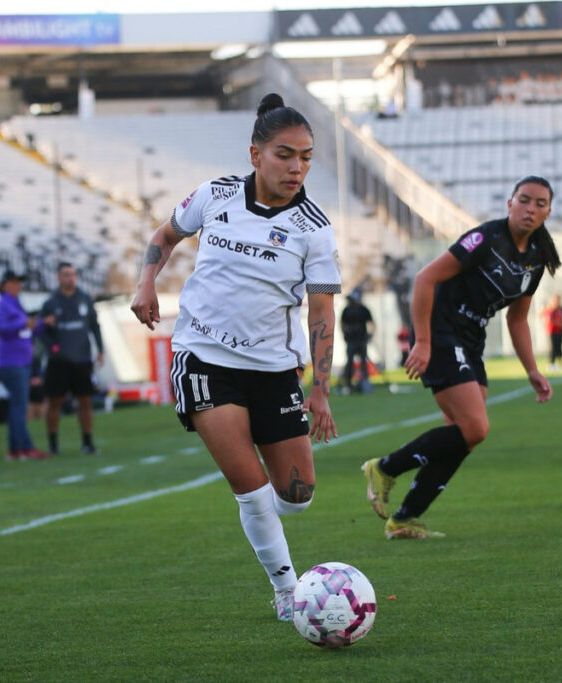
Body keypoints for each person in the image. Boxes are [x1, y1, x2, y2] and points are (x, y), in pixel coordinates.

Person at [130, 93, 340, 622]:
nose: (297, 167)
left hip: (273, 368)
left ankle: (278, 539)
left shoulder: (314, 228)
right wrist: (146, 282)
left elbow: (321, 311)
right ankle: (288, 591)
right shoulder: (215, 195)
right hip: (203, 358)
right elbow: (165, 234)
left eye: (307, 156)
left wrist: (319, 390)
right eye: (285, 154)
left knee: (296, 495)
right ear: (256, 154)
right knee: (251, 488)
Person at [362, 176, 560, 539]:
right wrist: (422, 342)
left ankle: (404, 519)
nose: (531, 209)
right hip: (440, 333)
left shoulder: (536, 258)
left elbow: (517, 319)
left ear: (549, 211)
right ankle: (385, 468)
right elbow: (424, 279)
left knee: (464, 436)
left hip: (470, 340)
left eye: (540, 204)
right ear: (510, 202)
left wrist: (532, 369)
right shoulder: (485, 238)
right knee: (476, 428)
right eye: (524, 200)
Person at [40, 262, 105, 455]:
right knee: (55, 402)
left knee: (85, 401)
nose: (70, 278)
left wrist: (100, 349)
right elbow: (41, 330)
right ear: (59, 277)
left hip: (82, 359)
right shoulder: (51, 302)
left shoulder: (84, 299)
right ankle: (53, 445)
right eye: (66, 274)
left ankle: (87, 442)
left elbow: (95, 326)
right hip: (59, 361)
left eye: (73, 274)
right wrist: (53, 347)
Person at [0, 269, 48, 461]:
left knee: (18, 405)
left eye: (19, 282)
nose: (18, 286)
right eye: (14, 282)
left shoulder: (16, 305)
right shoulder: (2, 305)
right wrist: (24, 324)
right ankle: (22, 448)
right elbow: (0, 329)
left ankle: (18, 448)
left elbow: (28, 330)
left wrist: (41, 323)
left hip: (22, 362)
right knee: (19, 406)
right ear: (4, 285)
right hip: (11, 362)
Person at [340, 289, 375, 394]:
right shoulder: (347, 310)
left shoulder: (363, 309)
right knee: (349, 362)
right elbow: (342, 323)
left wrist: (370, 335)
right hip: (351, 340)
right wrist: (344, 334)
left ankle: (364, 382)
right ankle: (348, 383)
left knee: (363, 362)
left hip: (361, 339)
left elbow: (372, 323)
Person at [541, 294, 562, 370]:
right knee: (552, 347)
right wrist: (558, 322)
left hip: (559, 330)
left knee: (558, 347)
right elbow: (548, 319)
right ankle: (551, 363)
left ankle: (559, 362)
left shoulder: (560, 309)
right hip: (551, 331)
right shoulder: (550, 309)